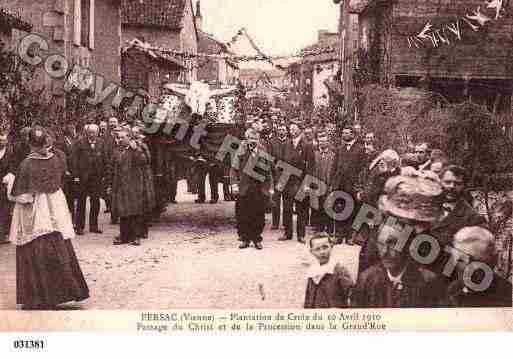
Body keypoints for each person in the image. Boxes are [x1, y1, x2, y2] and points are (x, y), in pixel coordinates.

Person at [9, 126, 89, 310]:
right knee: (58, 242)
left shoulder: (27, 164)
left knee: (33, 245)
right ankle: (65, 290)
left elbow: (20, 194)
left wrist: (10, 185)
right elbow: (60, 178)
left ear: (29, 143)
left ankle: (37, 296)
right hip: (55, 206)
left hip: (35, 209)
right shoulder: (56, 159)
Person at [352, 224, 442, 308]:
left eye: (392, 243)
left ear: (407, 245)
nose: (384, 252)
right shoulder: (366, 279)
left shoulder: (427, 282)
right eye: (380, 243)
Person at [442, 227, 512, 307]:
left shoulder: (507, 296)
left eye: (475, 261)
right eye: (461, 260)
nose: (467, 268)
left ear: (493, 260)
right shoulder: (451, 291)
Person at [232, 129, 273, 250]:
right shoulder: (241, 151)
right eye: (251, 138)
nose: (253, 141)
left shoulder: (263, 152)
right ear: (247, 139)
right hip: (244, 188)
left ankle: (256, 239)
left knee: (258, 214)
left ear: (258, 140)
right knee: (243, 214)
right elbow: (234, 169)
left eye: (255, 139)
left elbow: (268, 172)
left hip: (259, 189)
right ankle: (245, 239)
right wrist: (234, 184)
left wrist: (270, 187)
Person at [329, 124, 366, 244]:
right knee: (339, 209)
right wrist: (332, 183)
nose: (344, 135)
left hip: (353, 185)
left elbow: (363, 169)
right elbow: (334, 167)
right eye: (343, 133)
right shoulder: (340, 149)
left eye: (346, 133)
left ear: (352, 134)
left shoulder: (360, 149)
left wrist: (359, 185)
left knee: (352, 210)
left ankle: (350, 236)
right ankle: (339, 235)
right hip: (340, 185)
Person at [278, 122, 314, 244]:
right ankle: (287, 233)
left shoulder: (307, 145)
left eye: (294, 128)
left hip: (301, 181)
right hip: (287, 182)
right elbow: (281, 164)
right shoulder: (286, 144)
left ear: (300, 130)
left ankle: (301, 235)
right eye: (290, 129)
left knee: (301, 210)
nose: (292, 130)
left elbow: (311, 167)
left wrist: (308, 184)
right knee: (287, 208)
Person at [109, 130, 147, 246]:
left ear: (129, 138)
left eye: (122, 137)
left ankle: (136, 236)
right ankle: (124, 236)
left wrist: (136, 149)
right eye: (118, 137)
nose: (120, 140)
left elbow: (144, 161)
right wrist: (110, 185)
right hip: (120, 186)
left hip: (134, 186)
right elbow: (111, 168)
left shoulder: (136, 149)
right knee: (123, 211)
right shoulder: (116, 151)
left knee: (135, 211)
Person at [71, 124, 106, 235]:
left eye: (94, 132)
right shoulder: (79, 143)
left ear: (98, 132)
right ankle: (79, 226)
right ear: (87, 133)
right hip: (83, 177)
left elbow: (105, 158)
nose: (92, 134)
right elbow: (74, 159)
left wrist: (104, 174)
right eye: (90, 132)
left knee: (95, 201)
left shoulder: (101, 143)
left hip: (96, 177)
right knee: (81, 202)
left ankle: (94, 226)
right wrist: (76, 175)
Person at [304, 234, 353, 308]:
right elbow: (309, 297)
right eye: (317, 249)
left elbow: (351, 293)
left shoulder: (339, 270)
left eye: (325, 247)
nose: (322, 252)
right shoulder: (312, 271)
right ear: (312, 252)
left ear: (331, 247)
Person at [310, 131, 335, 234]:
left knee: (329, 206)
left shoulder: (333, 155)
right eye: (320, 142)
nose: (322, 144)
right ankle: (319, 228)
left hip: (329, 184)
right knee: (318, 206)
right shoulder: (314, 154)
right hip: (317, 184)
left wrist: (333, 184)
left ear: (328, 142)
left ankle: (329, 229)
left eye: (324, 141)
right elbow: (311, 169)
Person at [55, 124, 78, 226]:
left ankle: (72, 220)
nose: (74, 132)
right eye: (73, 130)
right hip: (65, 175)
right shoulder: (60, 144)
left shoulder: (75, 143)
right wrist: (66, 170)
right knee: (64, 198)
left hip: (72, 175)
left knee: (71, 198)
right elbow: (62, 159)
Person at [268, 124, 289, 230]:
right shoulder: (272, 142)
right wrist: (274, 169)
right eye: (280, 129)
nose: (281, 131)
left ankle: (286, 223)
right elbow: (269, 158)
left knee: (286, 200)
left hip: (287, 175)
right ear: (277, 131)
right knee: (276, 199)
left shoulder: (290, 142)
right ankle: (275, 223)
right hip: (276, 174)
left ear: (286, 131)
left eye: (283, 129)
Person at [0, 131, 15, 244]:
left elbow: (12, 168)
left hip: (4, 185)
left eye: (4, 140)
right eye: (0, 140)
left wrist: (9, 175)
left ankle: (3, 234)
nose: (2, 142)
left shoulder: (10, 153)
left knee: (4, 209)